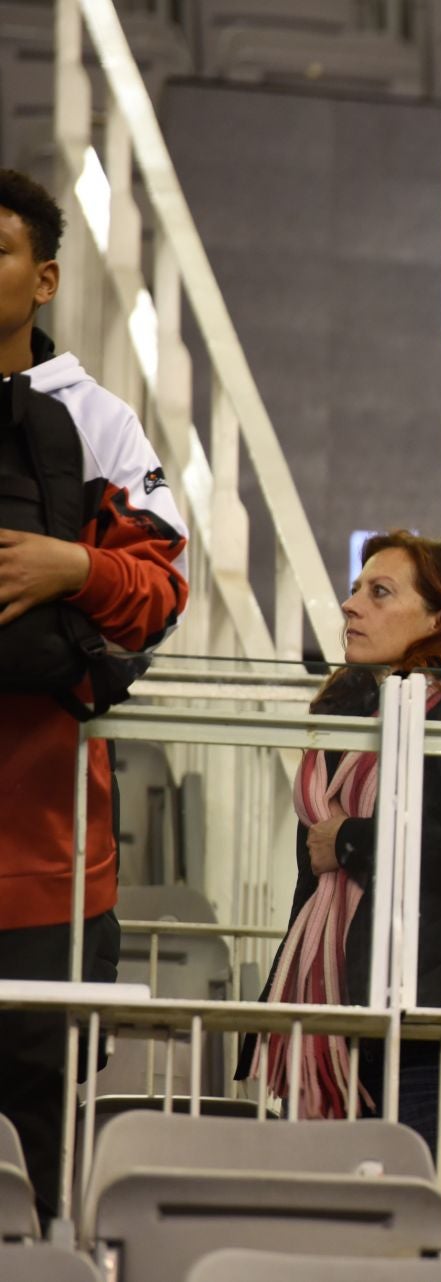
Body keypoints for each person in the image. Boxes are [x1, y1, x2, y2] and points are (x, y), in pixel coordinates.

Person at [246, 531, 441, 1241]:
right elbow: (313, 883)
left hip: (434, 1017)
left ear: (439, 616)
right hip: (339, 1011)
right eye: (355, 589)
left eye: (379, 592)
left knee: (435, 1233)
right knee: (337, 1239)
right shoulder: (345, 715)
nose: (351, 605)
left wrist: (354, 841)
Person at [0, 168, 188, 1227]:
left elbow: (163, 590)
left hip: (49, 861)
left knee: (37, 1162)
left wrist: (74, 567)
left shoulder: (98, 419)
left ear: (46, 278)